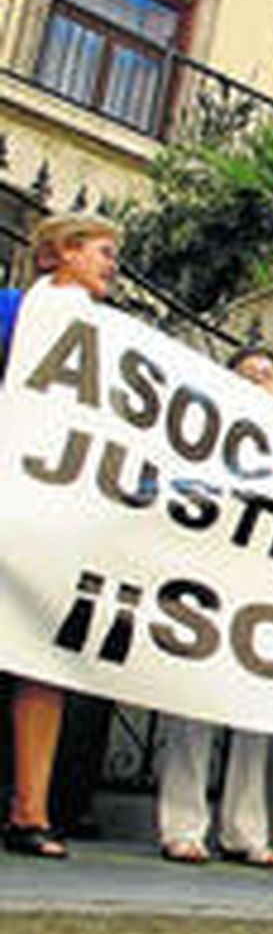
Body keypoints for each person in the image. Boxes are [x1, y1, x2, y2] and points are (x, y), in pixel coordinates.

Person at [1, 213, 121, 860]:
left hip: (54, 517)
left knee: (41, 661)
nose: (111, 265)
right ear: (62, 252)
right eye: (102, 251)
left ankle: (30, 811)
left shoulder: (111, 339)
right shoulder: (14, 311)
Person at [155, 347, 273, 868]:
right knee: (193, 702)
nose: (259, 381)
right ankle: (182, 826)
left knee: (257, 712)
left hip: (265, 588)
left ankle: (246, 832)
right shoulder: (198, 433)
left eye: (269, 374)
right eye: (249, 373)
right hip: (206, 582)